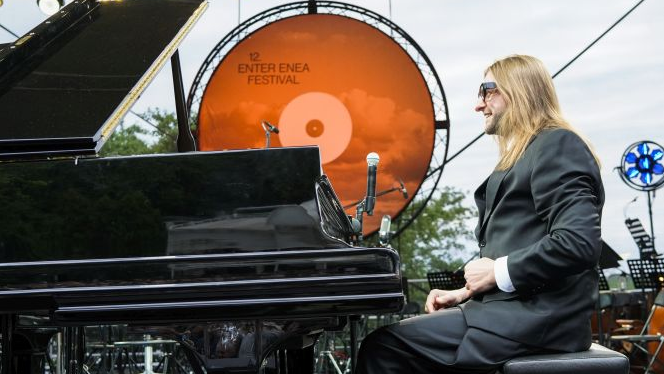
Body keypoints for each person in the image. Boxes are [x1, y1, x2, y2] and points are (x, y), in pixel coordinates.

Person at [356, 54, 604, 374]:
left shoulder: (557, 144)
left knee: (385, 348)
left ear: (519, 91)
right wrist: (467, 291)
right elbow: (522, 245)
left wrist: (497, 272)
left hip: (540, 321)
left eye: (487, 90)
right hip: (514, 314)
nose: (479, 104)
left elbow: (578, 243)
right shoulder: (528, 152)